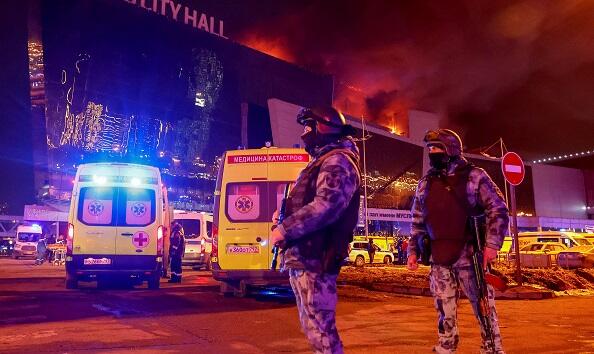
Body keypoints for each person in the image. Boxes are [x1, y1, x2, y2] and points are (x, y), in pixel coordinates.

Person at [406, 129, 509, 354]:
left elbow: (498, 208)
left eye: (437, 148)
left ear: (451, 149)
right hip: (438, 256)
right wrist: (412, 250)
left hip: (469, 254)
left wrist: (492, 244)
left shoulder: (475, 176)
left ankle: (492, 347)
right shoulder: (425, 183)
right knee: (444, 307)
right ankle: (446, 345)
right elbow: (417, 220)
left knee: (483, 306)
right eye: (430, 148)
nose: (432, 152)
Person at [270, 106, 361, 354]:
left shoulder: (338, 161)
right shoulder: (322, 161)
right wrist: (283, 216)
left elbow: (327, 206)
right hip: (306, 257)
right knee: (314, 328)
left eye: (308, 127)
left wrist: (285, 229)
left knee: (322, 330)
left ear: (324, 128)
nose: (304, 134)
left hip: (317, 258)